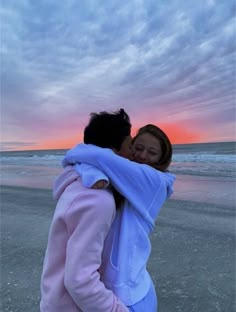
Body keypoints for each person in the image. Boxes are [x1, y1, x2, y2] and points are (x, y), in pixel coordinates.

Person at [63, 124, 176, 311]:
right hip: (123, 286)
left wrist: (80, 156)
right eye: (138, 148)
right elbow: (92, 164)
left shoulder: (155, 182)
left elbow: (98, 157)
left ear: (161, 159)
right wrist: (94, 173)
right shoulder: (122, 178)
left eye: (152, 152)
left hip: (131, 297)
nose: (142, 156)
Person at [40, 109, 132, 312]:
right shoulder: (97, 200)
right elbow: (80, 281)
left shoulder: (78, 183)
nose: (133, 154)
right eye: (130, 146)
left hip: (56, 301)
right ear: (113, 152)